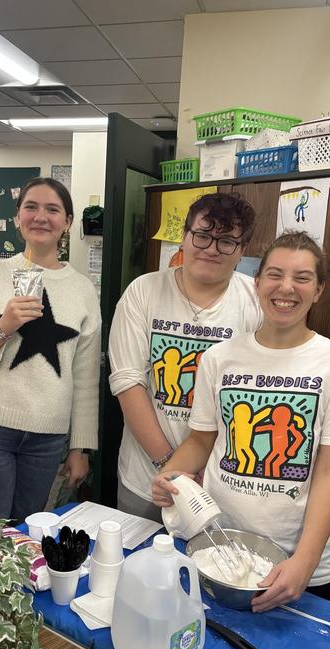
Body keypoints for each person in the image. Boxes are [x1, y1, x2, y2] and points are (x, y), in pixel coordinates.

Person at [152, 232, 330, 611]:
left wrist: (305, 561)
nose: (286, 288)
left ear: (318, 290)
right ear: (257, 284)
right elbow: (201, 441)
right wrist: (169, 475)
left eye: (302, 278)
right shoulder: (220, 358)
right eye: (275, 274)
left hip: (301, 567)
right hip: (218, 548)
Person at [0, 178, 100, 522]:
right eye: (31, 207)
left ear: (68, 221)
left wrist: (80, 447)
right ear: (17, 218)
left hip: (47, 437)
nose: (41, 216)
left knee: (24, 536)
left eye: (52, 209)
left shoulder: (82, 289)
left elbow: (86, 376)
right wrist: (3, 328)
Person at [109, 191, 262, 522]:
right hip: (146, 477)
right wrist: (171, 466)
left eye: (226, 241)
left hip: (220, 483)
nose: (210, 249)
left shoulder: (256, 300)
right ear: (184, 236)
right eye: (203, 235)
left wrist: (206, 473)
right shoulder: (143, 292)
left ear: (241, 250)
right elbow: (127, 382)